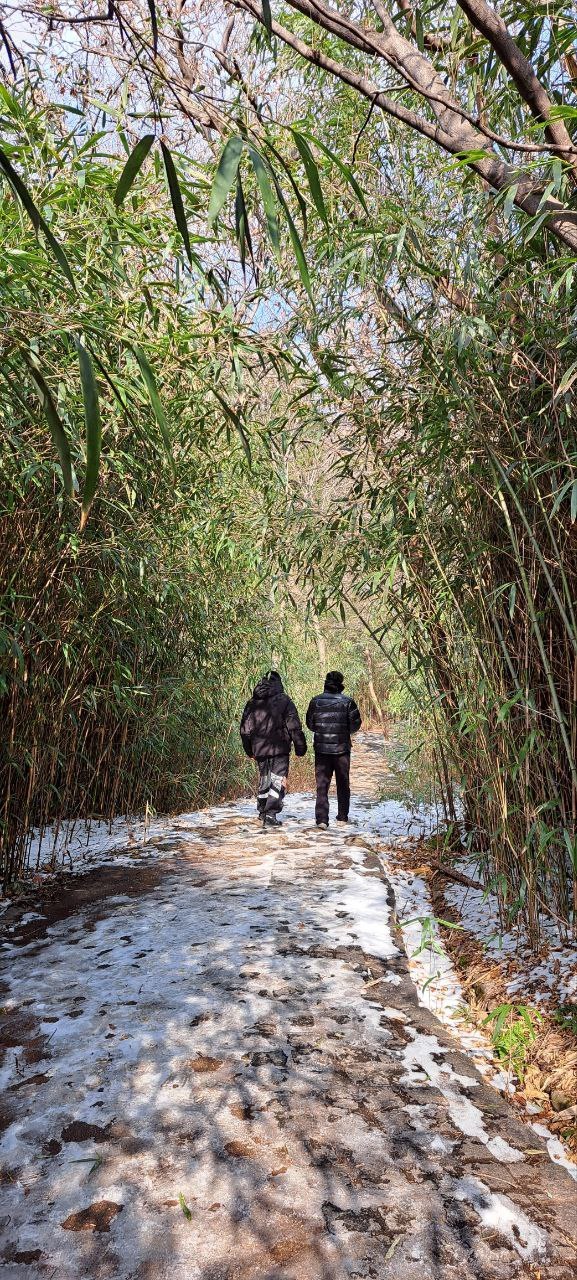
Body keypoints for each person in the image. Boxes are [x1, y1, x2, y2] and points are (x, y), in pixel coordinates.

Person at [240, 670, 307, 829]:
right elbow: (294, 726)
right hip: (280, 748)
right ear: (279, 684)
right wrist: (300, 747)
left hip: (260, 749)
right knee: (277, 780)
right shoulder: (284, 701)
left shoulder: (252, 703)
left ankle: (263, 811)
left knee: (265, 779)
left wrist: (249, 751)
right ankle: (270, 814)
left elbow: (244, 730)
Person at [306, 671, 362, 828]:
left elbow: (310, 724)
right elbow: (356, 725)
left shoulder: (315, 701)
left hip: (321, 750)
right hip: (342, 749)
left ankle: (322, 820)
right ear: (340, 683)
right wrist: (343, 732)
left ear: (326, 682)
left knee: (322, 785)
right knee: (343, 783)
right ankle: (342, 817)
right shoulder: (348, 702)